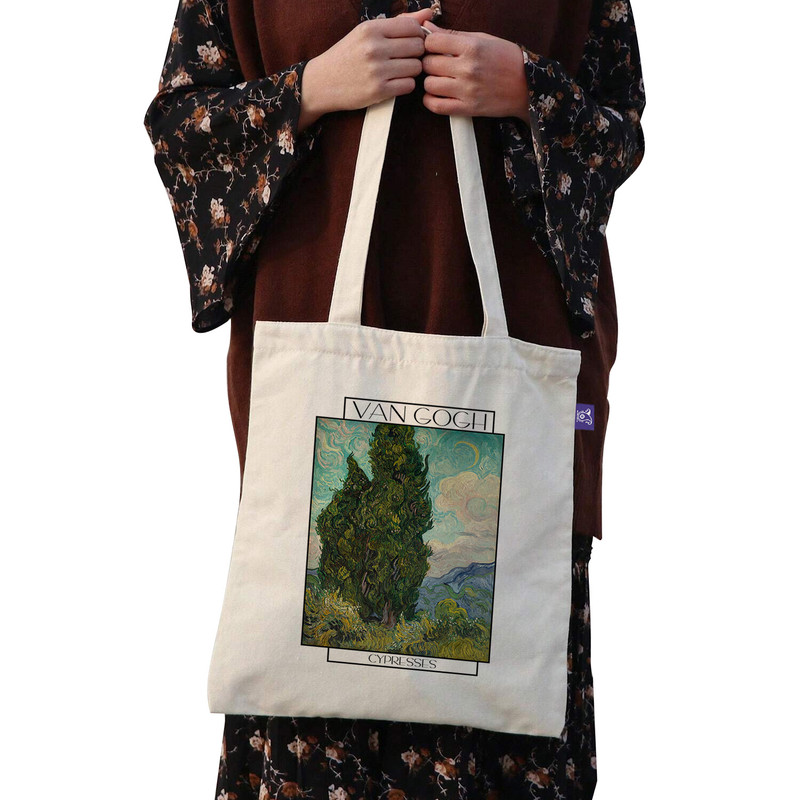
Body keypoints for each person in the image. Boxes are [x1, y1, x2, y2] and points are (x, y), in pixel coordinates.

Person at [143, 1, 645, 797]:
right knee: (310, 693)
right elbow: (181, 127)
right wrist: (312, 88)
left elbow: (620, 127)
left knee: (513, 685)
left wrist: (529, 91)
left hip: (522, 390)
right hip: (318, 393)